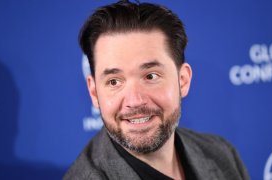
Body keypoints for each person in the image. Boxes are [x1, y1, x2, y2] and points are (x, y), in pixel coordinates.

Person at [64, 0, 250, 179]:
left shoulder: (223, 155)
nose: (134, 101)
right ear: (94, 93)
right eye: (114, 82)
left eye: (150, 76)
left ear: (182, 80)